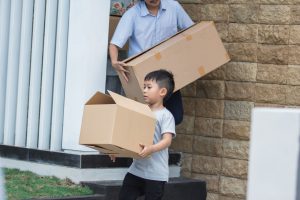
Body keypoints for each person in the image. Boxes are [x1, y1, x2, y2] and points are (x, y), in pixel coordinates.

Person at [109, 0, 194, 125]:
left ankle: (157, 141)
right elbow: (114, 44)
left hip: (167, 74)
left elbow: (193, 31)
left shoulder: (173, 7)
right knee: (144, 119)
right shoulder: (132, 14)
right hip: (143, 77)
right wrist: (114, 61)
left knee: (176, 116)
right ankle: (152, 143)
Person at [111, 69, 176, 200]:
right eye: (144, 87)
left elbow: (167, 140)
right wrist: (117, 150)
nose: (144, 90)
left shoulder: (166, 115)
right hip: (136, 170)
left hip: (156, 174)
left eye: (149, 87)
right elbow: (130, 135)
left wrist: (151, 148)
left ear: (162, 92)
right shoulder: (141, 111)